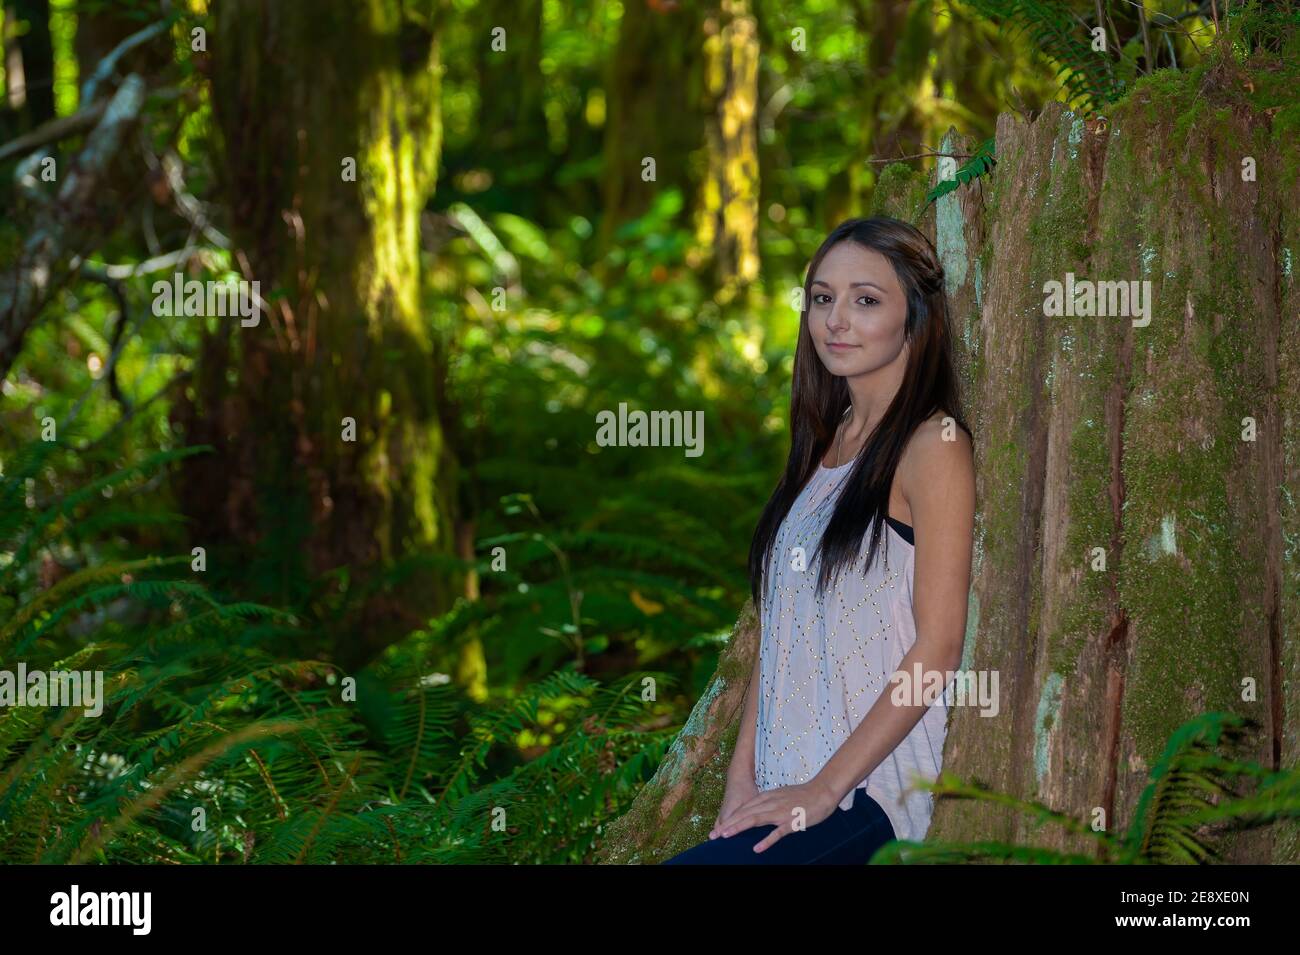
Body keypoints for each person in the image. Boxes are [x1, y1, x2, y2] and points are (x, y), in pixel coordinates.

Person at [663, 216, 975, 865]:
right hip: (784, 792)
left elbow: (938, 646)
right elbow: (780, 636)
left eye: (866, 299)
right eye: (822, 298)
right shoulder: (819, 444)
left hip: (872, 794)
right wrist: (739, 779)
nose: (837, 319)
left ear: (915, 319)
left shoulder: (931, 446)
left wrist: (825, 789)